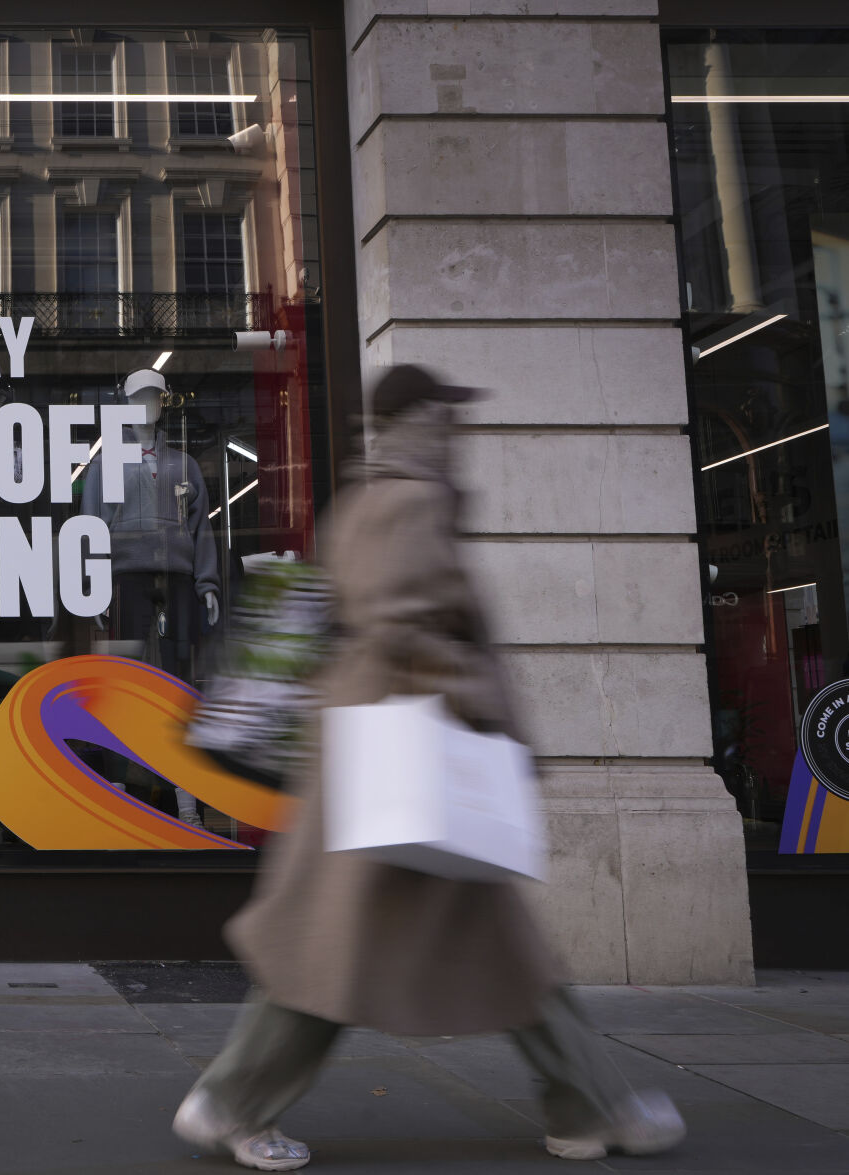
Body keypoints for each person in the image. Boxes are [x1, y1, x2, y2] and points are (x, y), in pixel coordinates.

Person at [172, 365, 685, 1171]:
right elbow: (396, 623)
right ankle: (229, 1102)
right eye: (448, 418)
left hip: (392, 755)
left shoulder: (377, 496)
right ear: (423, 421)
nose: (459, 433)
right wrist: (476, 695)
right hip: (409, 757)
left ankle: (591, 1106)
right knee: (348, 952)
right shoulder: (408, 501)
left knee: (460, 946)